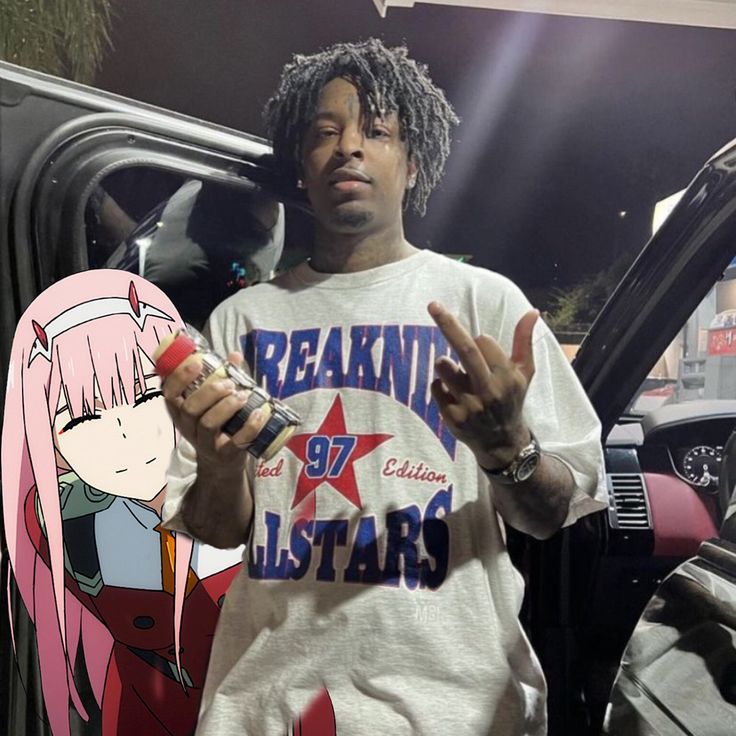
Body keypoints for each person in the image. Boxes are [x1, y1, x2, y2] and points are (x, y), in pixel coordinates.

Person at [161, 39, 608, 735]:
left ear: (412, 165)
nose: (349, 149)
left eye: (376, 131)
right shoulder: (241, 321)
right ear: (302, 170)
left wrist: (507, 448)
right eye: (324, 134)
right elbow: (219, 532)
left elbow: (554, 512)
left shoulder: (484, 305)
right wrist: (221, 461)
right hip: (269, 706)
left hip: (456, 707)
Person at [1, 270, 242, 736]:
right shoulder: (75, 512)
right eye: (85, 416)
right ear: (45, 438)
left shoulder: (200, 465)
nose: (127, 430)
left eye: (147, 395)